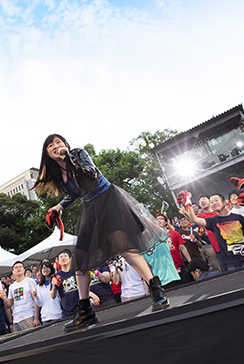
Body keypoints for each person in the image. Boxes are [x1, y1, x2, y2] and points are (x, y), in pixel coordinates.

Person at [33, 134, 169, 332]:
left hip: (108, 200)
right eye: (51, 145)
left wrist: (68, 158)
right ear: (46, 153)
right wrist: (59, 207)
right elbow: (75, 193)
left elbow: (91, 176)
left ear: (66, 145)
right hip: (90, 208)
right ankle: (85, 311)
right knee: (80, 259)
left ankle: (156, 290)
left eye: (59, 142)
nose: (56, 146)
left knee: (125, 249)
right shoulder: (57, 172)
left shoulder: (77, 154)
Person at [182, 194, 244, 271]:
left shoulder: (238, 218)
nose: (214, 203)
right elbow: (194, 219)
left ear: (224, 202)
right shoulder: (212, 221)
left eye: (216, 200)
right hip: (229, 262)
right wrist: (188, 203)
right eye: (212, 202)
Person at [3, 262, 40, 332]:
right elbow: (9, 305)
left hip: (28, 316)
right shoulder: (12, 286)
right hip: (16, 319)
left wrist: (36, 318)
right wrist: (4, 298)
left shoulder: (30, 281)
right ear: (13, 272)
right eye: (16, 268)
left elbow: (35, 300)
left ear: (24, 269)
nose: (18, 269)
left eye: (20, 267)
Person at [51, 249, 79, 319]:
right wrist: (54, 286)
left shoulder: (77, 271)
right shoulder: (56, 275)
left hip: (80, 307)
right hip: (67, 311)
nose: (63, 258)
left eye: (65, 256)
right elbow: (53, 296)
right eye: (61, 257)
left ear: (70, 258)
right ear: (58, 261)